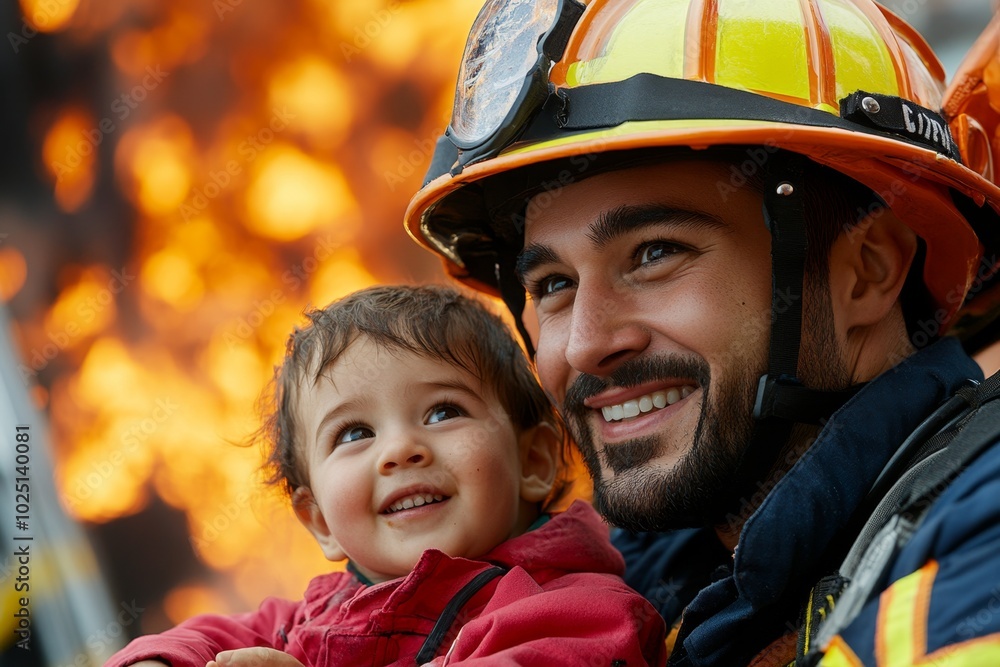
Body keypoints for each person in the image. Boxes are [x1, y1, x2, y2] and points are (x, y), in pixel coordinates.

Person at [404, 1, 1000, 665]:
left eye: (654, 253)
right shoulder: (644, 595)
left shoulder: (982, 536)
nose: (585, 345)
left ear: (866, 271)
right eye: (552, 285)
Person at [106, 285, 666, 667]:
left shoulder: (575, 613)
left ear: (535, 463)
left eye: (443, 412)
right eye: (353, 434)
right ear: (320, 520)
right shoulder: (311, 616)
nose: (400, 450)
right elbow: (207, 637)